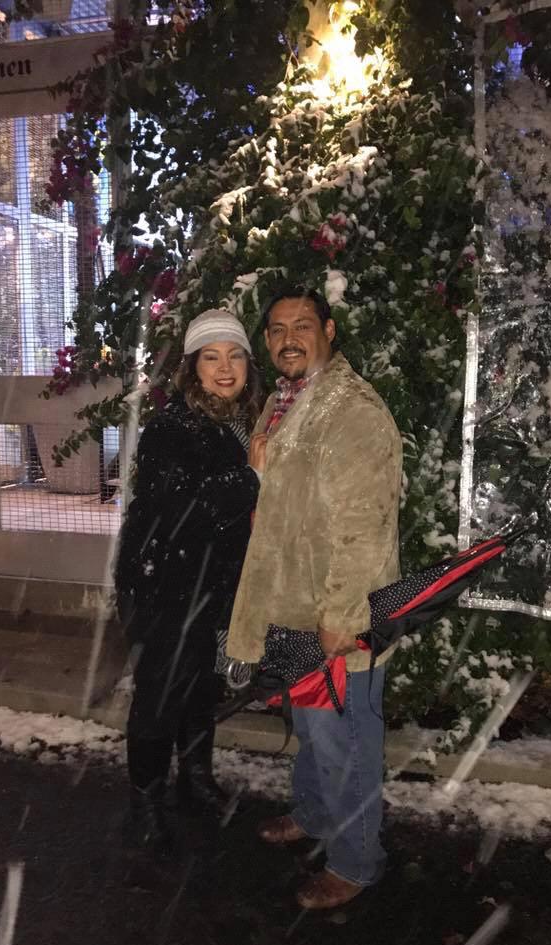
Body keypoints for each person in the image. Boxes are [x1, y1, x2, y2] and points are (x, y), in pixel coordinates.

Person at [226, 288, 403, 910]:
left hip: (335, 611)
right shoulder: (285, 400)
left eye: (302, 325)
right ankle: (314, 813)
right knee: (311, 724)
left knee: (345, 739)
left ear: (329, 330)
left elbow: (365, 522)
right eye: (277, 329)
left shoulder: (350, 409)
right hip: (294, 603)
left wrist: (343, 616)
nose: (289, 338)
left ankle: (355, 863)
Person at [115, 308, 266, 853]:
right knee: (160, 696)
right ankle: (146, 803)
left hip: (214, 585)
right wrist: (252, 477)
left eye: (234, 356)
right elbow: (184, 509)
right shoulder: (171, 428)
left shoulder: (245, 421)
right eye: (211, 357)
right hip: (164, 585)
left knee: (202, 689)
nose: (224, 368)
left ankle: (194, 779)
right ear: (192, 368)